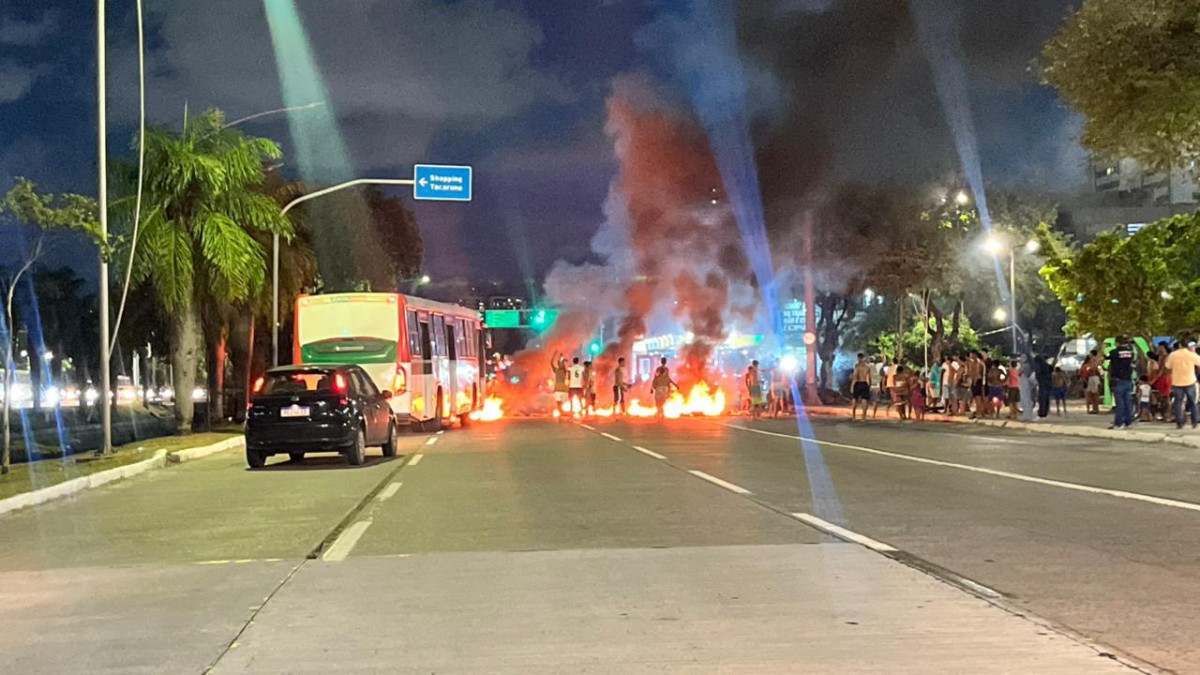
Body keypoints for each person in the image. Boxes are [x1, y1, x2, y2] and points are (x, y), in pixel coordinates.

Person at [1165, 340, 1200, 429]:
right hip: (1190, 381)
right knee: (1192, 402)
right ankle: (1194, 422)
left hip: (1177, 382)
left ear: (1180, 345)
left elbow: (1168, 366)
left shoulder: (1173, 355)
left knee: (1178, 403)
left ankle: (1179, 423)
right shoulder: (1191, 354)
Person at [1106, 337, 1136, 429]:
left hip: (1118, 380)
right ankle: (1128, 421)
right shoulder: (1131, 353)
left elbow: (1105, 358)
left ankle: (1119, 423)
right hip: (1128, 379)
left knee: (1120, 403)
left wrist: (1102, 349)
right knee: (1128, 402)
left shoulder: (1114, 352)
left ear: (1117, 343)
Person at [651, 357, 677, 421]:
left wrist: (652, 387)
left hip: (659, 387)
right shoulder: (666, 369)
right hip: (664, 388)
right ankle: (661, 413)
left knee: (658, 401)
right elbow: (668, 379)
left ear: (661, 361)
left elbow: (655, 378)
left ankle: (659, 413)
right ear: (665, 362)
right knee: (662, 401)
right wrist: (674, 385)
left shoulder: (658, 369)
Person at [850, 353, 873, 421]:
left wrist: (852, 385)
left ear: (858, 358)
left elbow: (855, 376)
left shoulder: (857, 366)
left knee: (855, 399)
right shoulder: (867, 367)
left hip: (857, 383)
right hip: (864, 383)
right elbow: (869, 377)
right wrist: (870, 385)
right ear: (864, 358)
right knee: (864, 400)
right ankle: (863, 417)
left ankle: (853, 416)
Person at [1035, 354, 1053, 419]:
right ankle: (1045, 412)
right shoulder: (1048, 366)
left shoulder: (1039, 365)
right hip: (1048, 384)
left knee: (1042, 398)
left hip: (1042, 384)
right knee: (1046, 398)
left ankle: (1041, 412)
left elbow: (1038, 373)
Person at [550, 352, 569, 417]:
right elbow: (551, 363)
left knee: (562, 401)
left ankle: (561, 411)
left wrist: (562, 358)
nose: (561, 364)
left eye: (562, 363)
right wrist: (554, 355)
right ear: (558, 364)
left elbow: (563, 362)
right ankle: (560, 411)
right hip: (558, 387)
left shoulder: (564, 370)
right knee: (558, 401)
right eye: (560, 363)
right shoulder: (556, 370)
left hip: (563, 388)